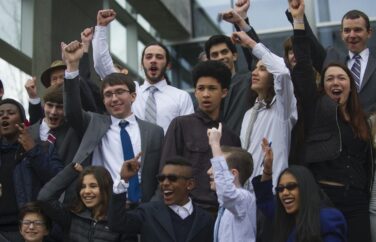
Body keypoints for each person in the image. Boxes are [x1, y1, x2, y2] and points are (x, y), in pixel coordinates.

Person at [290, 2, 373, 240]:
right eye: (330, 79)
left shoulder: (363, 122)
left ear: (350, 85)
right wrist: (298, 21)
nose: (336, 83)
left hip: (358, 202)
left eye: (341, 78)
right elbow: (304, 68)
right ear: (323, 86)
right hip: (325, 199)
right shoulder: (316, 110)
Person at [62, 40, 164, 205]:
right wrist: (72, 66)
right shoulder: (94, 123)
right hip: (104, 208)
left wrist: (153, 206)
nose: (114, 98)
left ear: (133, 96)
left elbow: (160, 172)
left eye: (120, 92)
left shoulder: (154, 132)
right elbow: (72, 111)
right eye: (108, 94)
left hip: (143, 211)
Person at [92, 9, 194, 133]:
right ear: (141, 64)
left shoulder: (181, 97)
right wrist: (101, 27)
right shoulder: (130, 91)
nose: (153, 60)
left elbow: (188, 133)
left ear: (168, 65)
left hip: (168, 152)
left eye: (159, 57)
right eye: (149, 57)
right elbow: (102, 65)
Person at [161, 60, 241, 212]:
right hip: (187, 211)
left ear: (224, 92)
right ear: (195, 92)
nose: (205, 94)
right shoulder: (180, 125)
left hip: (223, 213)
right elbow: (166, 172)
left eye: (212, 88)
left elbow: (236, 183)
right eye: (201, 88)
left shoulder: (231, 137)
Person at [232, 31, 297, 188]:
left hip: (271, 191)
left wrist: (250, 43)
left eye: (262, 69)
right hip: (245, 193)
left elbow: (282, 71)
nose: (254, 72)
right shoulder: (249, 113)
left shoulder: (283, 108)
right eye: (255, 68)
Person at [286, 0, 376, 113]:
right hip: (339, 128)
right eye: (347, 31)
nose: (352, 35)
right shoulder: (332, 59)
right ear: (341, 34)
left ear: (369, 32)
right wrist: (298, 17)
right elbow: (310, 42)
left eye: (357, 30)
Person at [252, 138, 347, 242]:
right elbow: (265, 200)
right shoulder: (284, 216)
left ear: (305, 188)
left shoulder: (327, 217)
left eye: (291, 187)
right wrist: (267, 169)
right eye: (280, 189)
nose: (285, 193)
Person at [108, 156, 214, 242]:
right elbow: (117, 224)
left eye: (173, 178)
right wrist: (123, 180)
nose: (165, 183)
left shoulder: (207, 219)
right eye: (161, 178)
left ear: (190, 184)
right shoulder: (147, 213)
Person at [0, 98, 63, 242]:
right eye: (0, 114)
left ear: (22, 121)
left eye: (10, 113)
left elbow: (57, 182)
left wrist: (33, 150)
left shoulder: (43, 147)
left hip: (28, 231)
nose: (4, 116)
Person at [38, 164, 128, 241]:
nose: (86, 191)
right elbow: (45, 198)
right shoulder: (72, 216)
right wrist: (72, 170)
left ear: (105, 188)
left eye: (93, 186)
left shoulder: (121, 220)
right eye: (83, 186)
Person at [207, 123, 256, 242]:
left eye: (215, 167)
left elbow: (226, 192)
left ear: (233, 174)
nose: (208, 171)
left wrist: (215, 144)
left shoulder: (244, 198)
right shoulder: (228, 204)